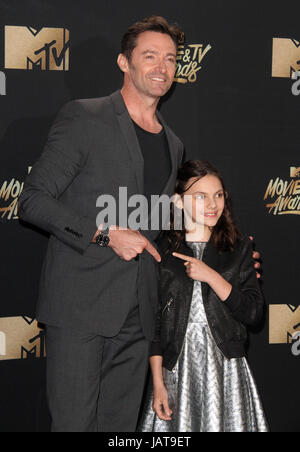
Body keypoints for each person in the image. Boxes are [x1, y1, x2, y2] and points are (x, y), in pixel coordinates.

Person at [18, 16, 185, 432]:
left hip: (136, 316)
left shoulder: (174, 143)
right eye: (150, 56)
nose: (161, 67)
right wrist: (104, 234)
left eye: (170, 58)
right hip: (80, 309)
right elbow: (33, 200)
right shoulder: (85, 118)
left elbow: (158, 225)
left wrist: (224, 253)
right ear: (124, 63)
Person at [138, 160, 269, 432]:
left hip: (227, 369)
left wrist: (211, 276)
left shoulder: (239, 249)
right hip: (176, 370)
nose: (212, 204)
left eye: (218, 195)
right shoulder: (161, 253)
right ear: (179, 201)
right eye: (201, 196)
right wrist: (158, 383)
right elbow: (155, 326)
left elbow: (253, 314)